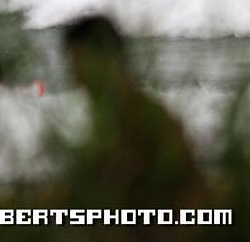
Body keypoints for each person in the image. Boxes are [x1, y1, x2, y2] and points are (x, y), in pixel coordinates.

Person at [61, 15, 208, 209]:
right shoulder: (113, 117)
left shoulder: (137, 118)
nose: (76, 79)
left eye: (77, 64)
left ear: (107, 58)